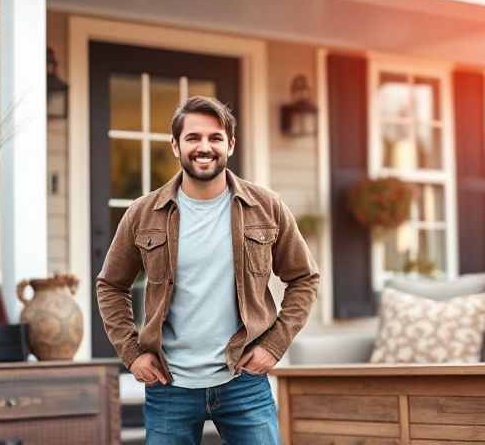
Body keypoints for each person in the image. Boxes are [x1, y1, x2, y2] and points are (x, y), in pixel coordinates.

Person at [96, 95, 319, 444]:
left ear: (230, 144)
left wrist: (274, 346)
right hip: (169, 385)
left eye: (215, 138)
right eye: (193, 138)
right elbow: (110, 285)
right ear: (175, 145)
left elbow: (304, 278)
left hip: (243, 383)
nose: (205, 147)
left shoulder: (266, 206)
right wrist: (132, 354)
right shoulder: (143, 213)